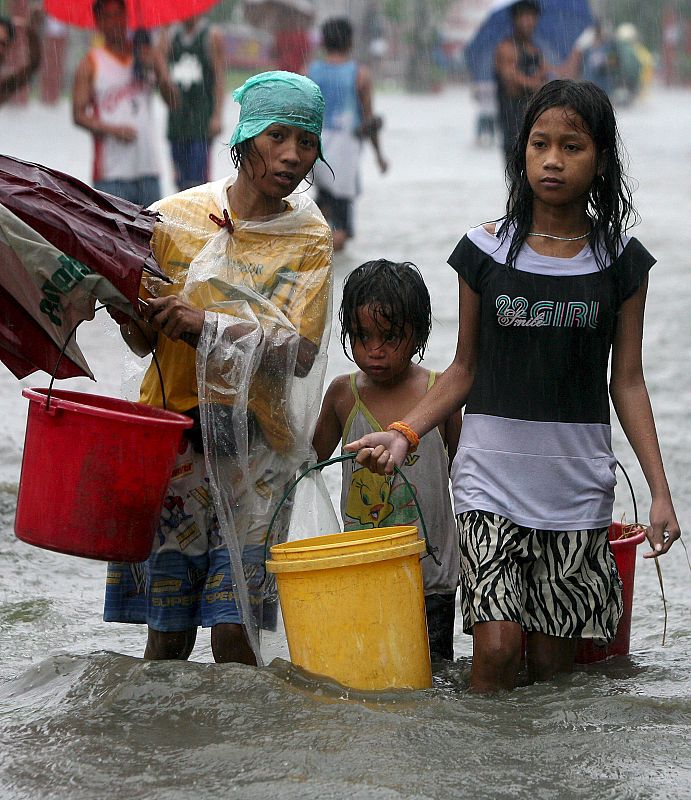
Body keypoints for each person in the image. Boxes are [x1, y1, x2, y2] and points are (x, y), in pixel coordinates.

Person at [346, 79, 682, 693]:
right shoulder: (484, 251)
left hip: (576, 487)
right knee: (497, 651)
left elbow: (628, 382)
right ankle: (477, 753)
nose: (552, 160)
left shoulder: (621, 262)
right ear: (521, 152)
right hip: (489, 481)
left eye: (571, 147)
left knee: (552, 671)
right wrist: (403, 433)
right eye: (539, 144)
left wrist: (660, 492)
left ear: (601, 159)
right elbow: (463, 368)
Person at [103, 71, 333, 664]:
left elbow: (301, 353)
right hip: (175, 444)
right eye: (277, 136)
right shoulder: (171, 220)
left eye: (306, 141)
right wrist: (126, 305)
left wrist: (205, 325)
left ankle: (238, 731)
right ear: (245, 136)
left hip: (258, 452)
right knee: (168, 634)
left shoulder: (309, 238)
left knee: (237, 634)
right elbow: (140, 343)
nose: (292, 155)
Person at [312, 260, 461, 661]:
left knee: (433, 671)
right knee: (369, 666)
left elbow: (464, 476)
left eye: (390, 337)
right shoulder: (343, 395)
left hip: (432, 573)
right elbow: (307, 465)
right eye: (362, 336)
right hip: (365, 566)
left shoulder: (440, 394)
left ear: (418, 333)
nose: (374, 350)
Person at [72, 0, 177, 207]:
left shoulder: (145, 55)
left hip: (148, 169)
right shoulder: (90, 63)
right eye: (107, 17)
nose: (114, 22)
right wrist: (113, 130)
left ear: (127, 17)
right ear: (98, 23)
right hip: (111, 174)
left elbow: (173, 102)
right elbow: (78, 115)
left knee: (154, 228)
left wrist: (159, 67)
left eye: (118, 15)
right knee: (112, 228)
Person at [308, 17, 388, 252]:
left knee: (323, 207)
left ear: (324, 42)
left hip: (314, 149)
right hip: (344, 153)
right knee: (341, 225)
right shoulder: (359, 74)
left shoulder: (310, 72)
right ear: (350, 42)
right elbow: (369, 121)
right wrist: (379, 155)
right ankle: (333, 264)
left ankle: (310, 253)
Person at [158, 14, 226, 191]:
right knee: (179, 180)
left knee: (198, 181)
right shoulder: (171, 36)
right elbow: (160, 70)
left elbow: (219, 79)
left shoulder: (210, 35)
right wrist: (163, 31)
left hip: (200, 122)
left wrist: (217, 116)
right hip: (177, 121)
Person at [494, 0, 546, 162]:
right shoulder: (506, 48)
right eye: (523, 17)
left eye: (532, 17)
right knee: (516, 167)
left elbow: (543, 74)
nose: (528, 22)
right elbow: (510, 81)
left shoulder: (535, 49)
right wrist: (535, 84)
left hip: (535, 120)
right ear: (515, 19)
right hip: (513, 121)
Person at [0, 8, 41, 106]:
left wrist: (31, 32)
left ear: (9, 47)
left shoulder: (4, 84)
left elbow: (32, 66)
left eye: (3, 43)